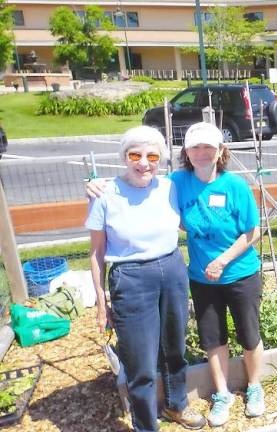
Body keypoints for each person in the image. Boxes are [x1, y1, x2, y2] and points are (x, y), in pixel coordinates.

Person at [86, 126, 205, 432]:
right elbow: (96, 254)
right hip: (131, 278)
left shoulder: (169, 187)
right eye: (135, 155)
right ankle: (145, 426)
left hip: (172, 269)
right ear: (124, 157)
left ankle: (176, 404)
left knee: (175, 348)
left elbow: (205, 176)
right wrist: (102, 304)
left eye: (152, 155)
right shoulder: (104, 194)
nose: (143, 163)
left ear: (160, 159)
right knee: (141, 364)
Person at [172, 122, 265, 427]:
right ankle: (222, 394)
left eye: (208, 147)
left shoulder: (235, 186)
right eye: (195, 147)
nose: (201, 153)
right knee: (213, 338)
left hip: (240, 273)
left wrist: (222, 261)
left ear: (221, 151)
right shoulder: (177, 182)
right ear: (186, 152)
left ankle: (254, 387)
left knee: (249, 335)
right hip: (202, 279)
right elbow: (141, 186)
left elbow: (253, 232)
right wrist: (99, 186)